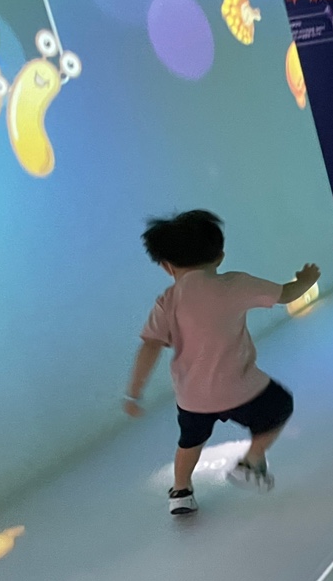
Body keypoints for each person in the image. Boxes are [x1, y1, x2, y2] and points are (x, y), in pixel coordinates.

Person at [124, 210, 318, 516]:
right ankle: (252, 459)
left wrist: (133, 393)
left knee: (190, 442)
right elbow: (286, 294)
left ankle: (181, 492)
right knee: (280, 406)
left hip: (192, 397)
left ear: (166, 266)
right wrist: (305, 280)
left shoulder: (168, 301)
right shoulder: (236, 283)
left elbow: (150, 346)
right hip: (239, 387)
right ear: (219, 256)